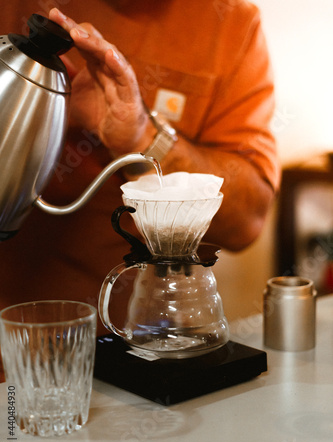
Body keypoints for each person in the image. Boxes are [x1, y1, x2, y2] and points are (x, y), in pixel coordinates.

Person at [0, 0, 280, 380]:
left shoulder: (230, 24)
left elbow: (246, 220)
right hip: (12, 352)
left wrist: (140, 137)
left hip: (140, 357)